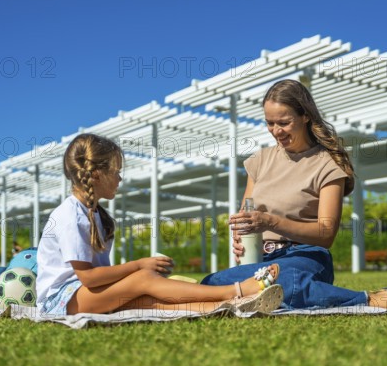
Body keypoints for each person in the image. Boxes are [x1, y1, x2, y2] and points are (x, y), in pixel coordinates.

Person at [201, 79, 387, 314]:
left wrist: (269, 221)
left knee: (288, 281)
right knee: (211, 283)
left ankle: (370, 299)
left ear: (305, 116)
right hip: (260, 261)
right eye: (270, 123)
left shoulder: (327, 165)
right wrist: (239, 235)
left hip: (304, 256)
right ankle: (256, 295)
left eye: (284, 123)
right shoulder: (259, 161)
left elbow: (326, 234)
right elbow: (247, 215)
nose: (276, 131)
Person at [36, 133, 284, 316]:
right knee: (143, 278)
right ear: (97, 174)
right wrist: (139, 266)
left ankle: (227, 307)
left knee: (146, 300)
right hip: (61, 301)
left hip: (79, 297)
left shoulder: (94, 214)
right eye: (116, 171)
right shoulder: (71, 215)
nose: (120, 178)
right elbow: (88, 278)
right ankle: (236, 291)